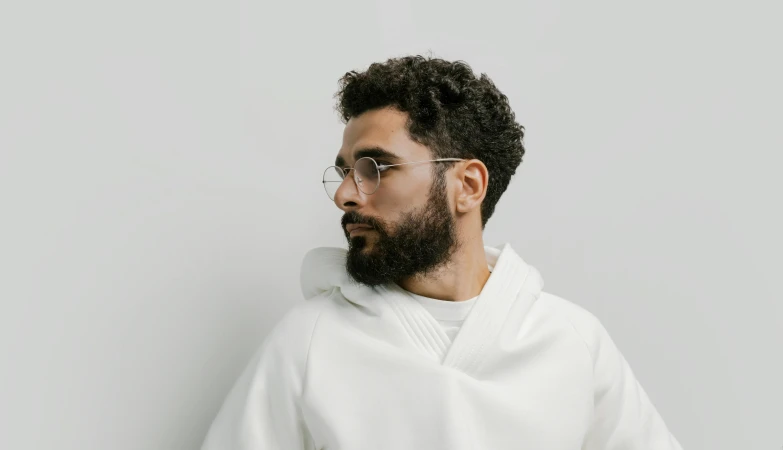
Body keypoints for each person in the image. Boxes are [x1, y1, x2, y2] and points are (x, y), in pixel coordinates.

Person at [201, 55, 684, 449]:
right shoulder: (311, 342)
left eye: (375, 167)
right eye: (345, 170)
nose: (344, 195)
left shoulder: (572, 342)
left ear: (467, 186)